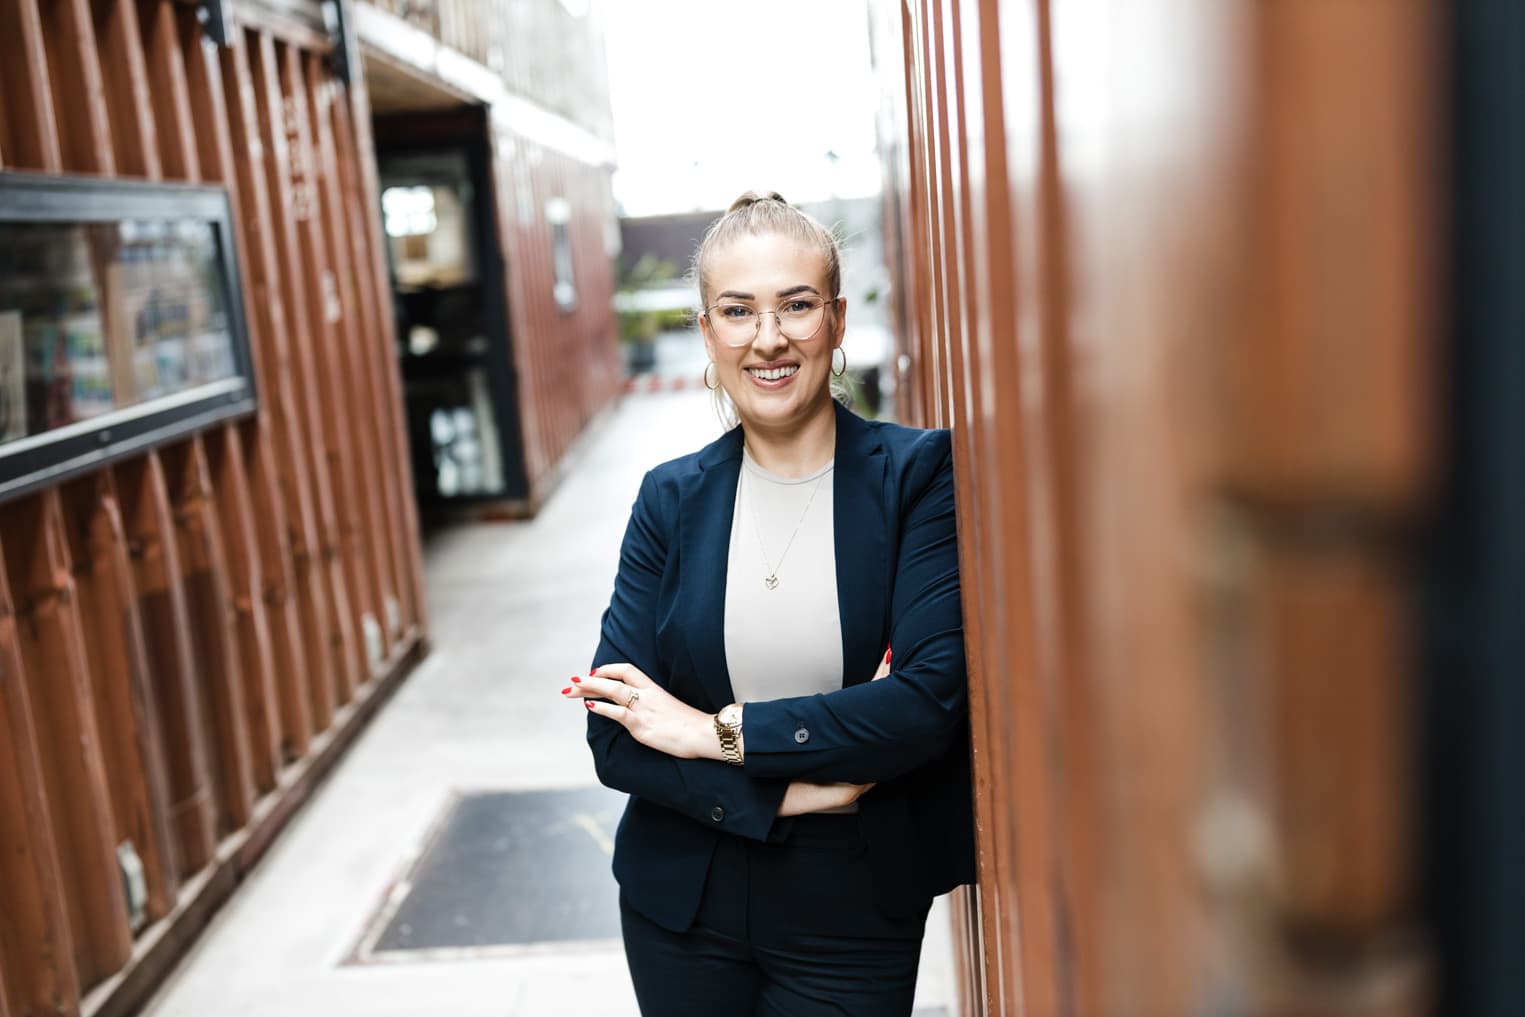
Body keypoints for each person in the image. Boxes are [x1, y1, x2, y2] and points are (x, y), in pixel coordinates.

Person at [563, 191, 973, 1016]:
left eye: (795, 305)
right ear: (707, 333)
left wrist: (707, 730)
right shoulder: (668, 499)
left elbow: (926, 703)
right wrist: (794, 789)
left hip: (854, 910)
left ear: (837, 317)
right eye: (738, 311)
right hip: (679, 901)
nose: (769, 338)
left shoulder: (917, 476)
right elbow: (614, 734)